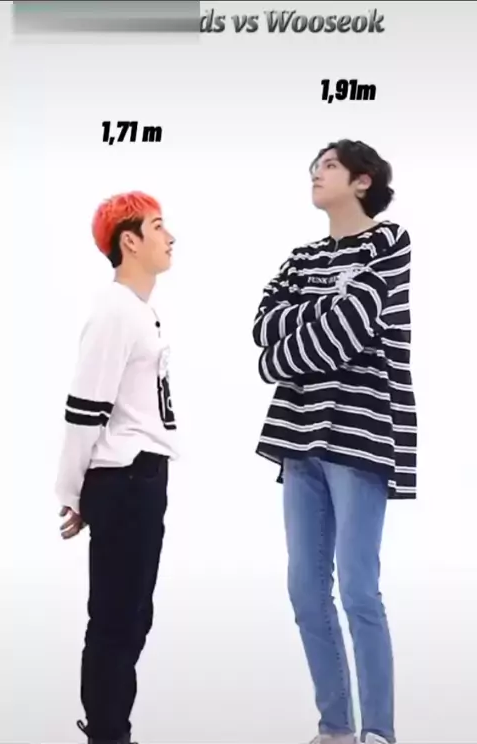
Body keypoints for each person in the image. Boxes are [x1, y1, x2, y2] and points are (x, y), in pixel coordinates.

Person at [252, 140, 417, 744]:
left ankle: (379, 731)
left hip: (360, 433)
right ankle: (336, 728)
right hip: (298, 439)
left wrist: (289, 349)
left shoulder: (388, 243)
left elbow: (349, 329)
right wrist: (298, 341)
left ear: (362, 180)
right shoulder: (302, 257)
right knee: (304, 590)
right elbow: (263, 328)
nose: (315, 174)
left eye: (328, 166)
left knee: (357, 589)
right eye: (314, 168)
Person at [55, 191, 179, 744]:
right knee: (115, 619)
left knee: (131, 617)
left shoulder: (138, 311)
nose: (170, 237)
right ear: (129, 241)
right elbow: (85, 407)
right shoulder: (114, 311)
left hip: (140, 479)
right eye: (158, 227)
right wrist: (73, 491)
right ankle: (107, 734)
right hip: (124, 479)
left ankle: (111, 728)